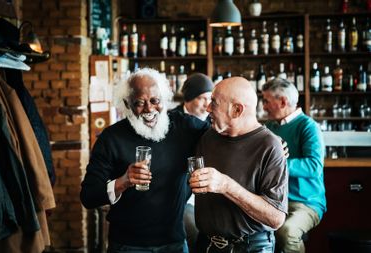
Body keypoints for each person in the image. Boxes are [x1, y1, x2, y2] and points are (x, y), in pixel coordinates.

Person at [80, 68, 209, 253]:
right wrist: (123, 182)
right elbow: (88, 196)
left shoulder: (185, 126)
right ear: (127, 104)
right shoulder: (111, 138)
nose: (149, 109)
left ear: (164, 99)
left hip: (174, 243)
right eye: (139, 103)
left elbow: (220, 137)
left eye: (155, 101)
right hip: (127, 245)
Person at [189, 77, 289, 253]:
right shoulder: (208, 136)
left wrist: (226, 185)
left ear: (237, 110)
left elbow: (276, 218)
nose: (207, 108)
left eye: (214, 102)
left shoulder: (270, 146)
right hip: (205, 244)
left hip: (250, 247)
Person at [262, 78, 326, 253]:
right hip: (274, 199)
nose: (264, 107)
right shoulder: (269, 127)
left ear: (283, 101)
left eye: (266, 101)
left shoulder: (308, 126)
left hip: (305, 203)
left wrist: (277, 164)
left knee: (287, 232)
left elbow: (314, 167)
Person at [172, 73, 214, 253]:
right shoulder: (171, 120)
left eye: (210, 98)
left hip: (210, 188)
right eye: (201, 98)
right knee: (194, 231)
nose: (207, 104)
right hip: (182, 192)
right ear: (188, 98)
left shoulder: (215, 120)